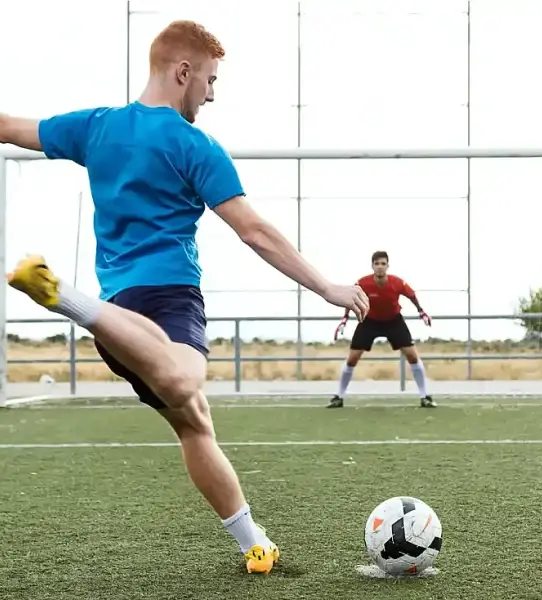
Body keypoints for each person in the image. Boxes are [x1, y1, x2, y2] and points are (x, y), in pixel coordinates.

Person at [0, 20, 369, 574]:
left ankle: (254, 543)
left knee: (194, 421)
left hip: (121, 322)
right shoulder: (193, 143)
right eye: (211, 80)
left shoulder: (96, 126)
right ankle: (67, 300)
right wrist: (328, 287)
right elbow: (255, 231)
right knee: (186, 379)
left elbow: (7, 126)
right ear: (183, 72)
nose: (212, 93)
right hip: (167, 300)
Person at [326, 250, 437, 409]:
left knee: (412, 356)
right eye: (377, 264)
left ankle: (425, 396)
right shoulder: (362, 283)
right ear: (372, 266)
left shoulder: (397, 282)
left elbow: (411, 296)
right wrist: (344, 319)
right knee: (352, 359)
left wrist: (421, 312)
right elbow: (351, 299)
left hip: (393, 321)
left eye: (383, 264)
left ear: (387, 266)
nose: (380, 267)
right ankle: (339, 397)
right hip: (369, 321)